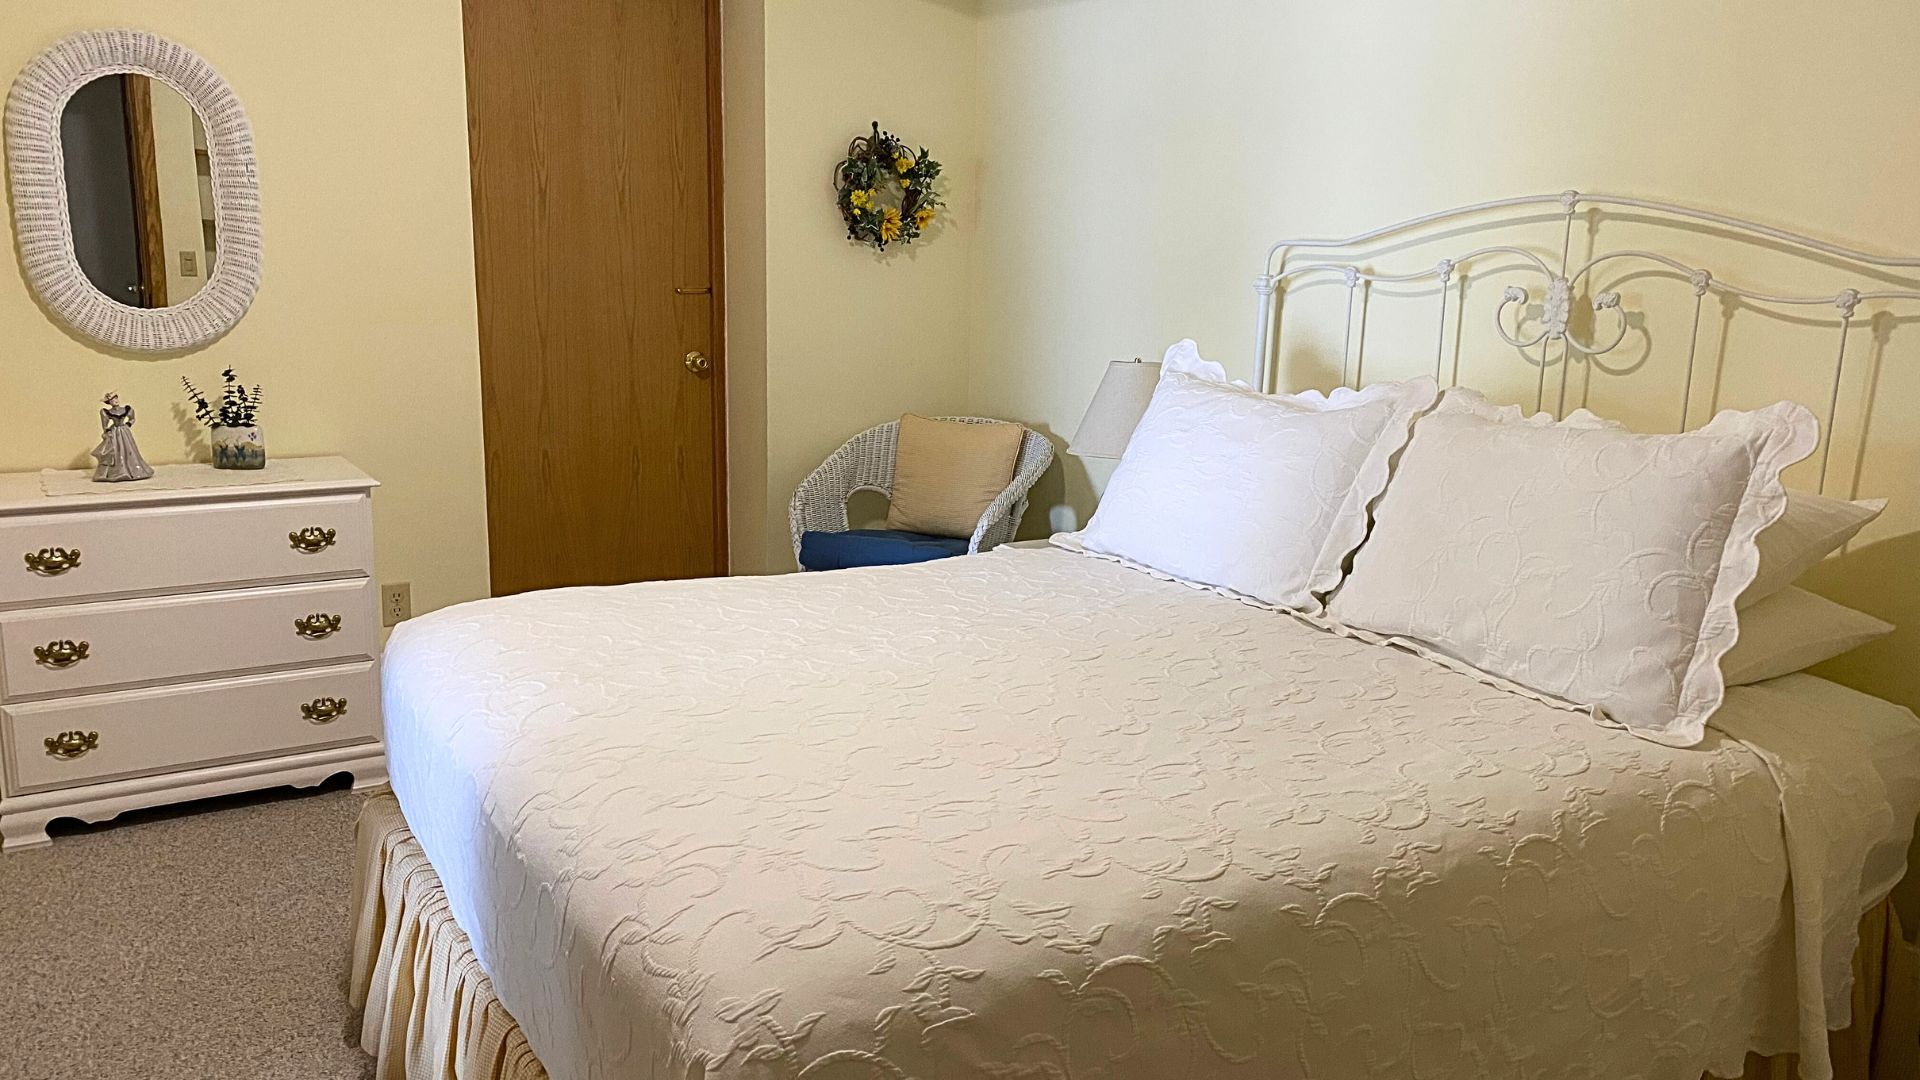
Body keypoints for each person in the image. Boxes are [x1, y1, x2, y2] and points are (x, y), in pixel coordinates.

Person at [92, 392, 155, 482]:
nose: (115, 401)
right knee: (116, 450)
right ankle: (118, 471)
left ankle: (133, 469)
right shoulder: (107, 412)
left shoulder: (126, 409)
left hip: (124, 432)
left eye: (116, 398)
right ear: (109, 402)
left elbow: (132, 418)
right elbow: (105, 425)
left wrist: (128, 424)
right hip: (115, 433)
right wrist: (107, 432)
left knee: (129, 449)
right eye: (112, 400)